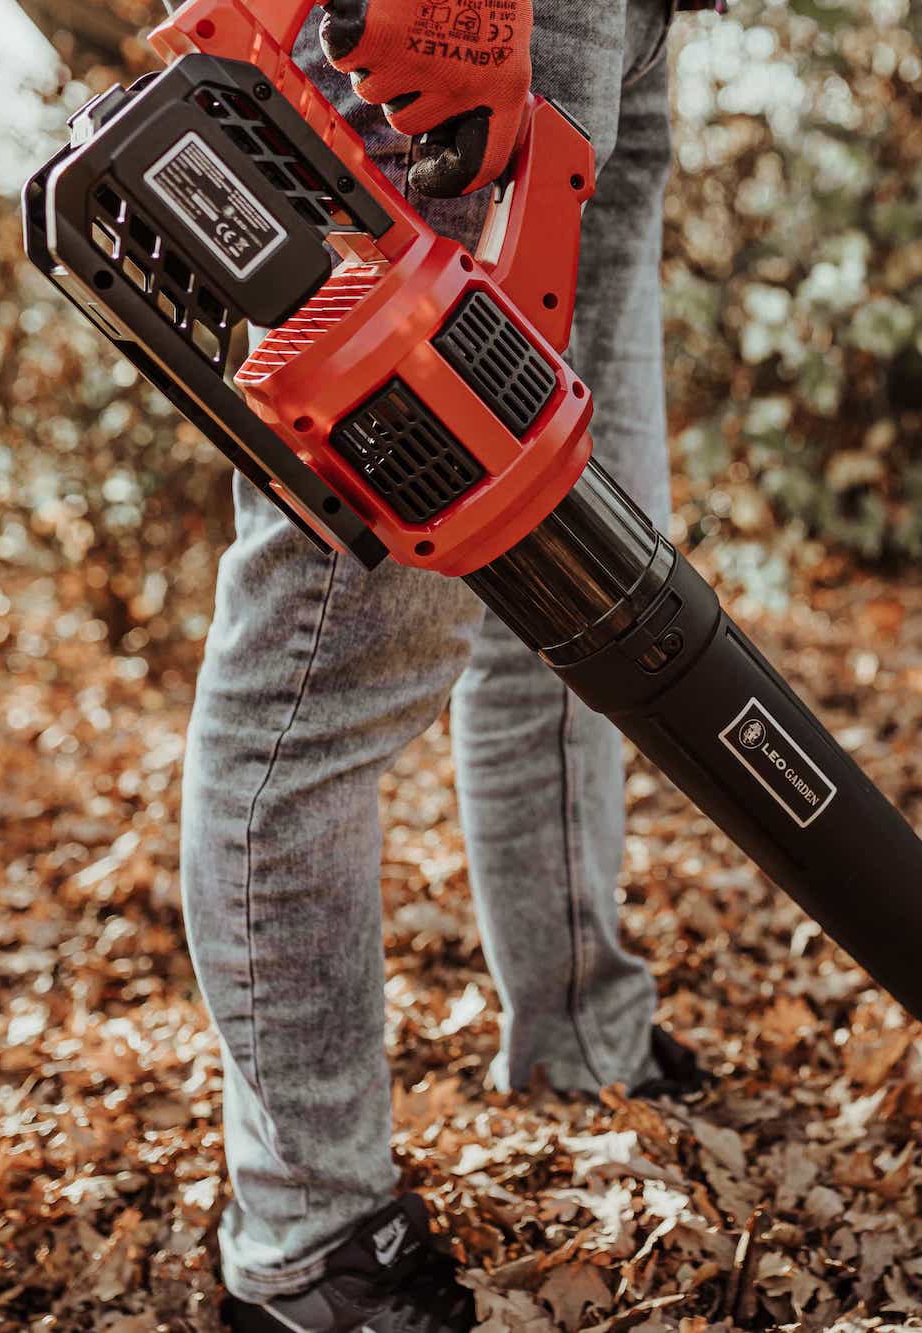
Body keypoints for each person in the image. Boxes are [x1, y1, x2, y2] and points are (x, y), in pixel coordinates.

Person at [174, 1, 708, 1328]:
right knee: (330, 655)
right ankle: (305, 1234)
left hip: (624, 30)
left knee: (585, 584)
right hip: (453, 21)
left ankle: (585, 1034)